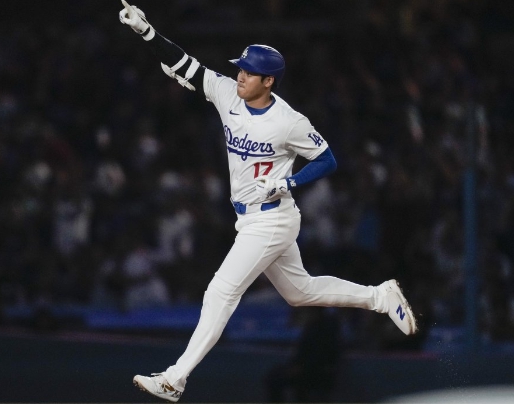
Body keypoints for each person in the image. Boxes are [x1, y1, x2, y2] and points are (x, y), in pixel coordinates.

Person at [118, 1, 418, 402]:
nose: (240, 76)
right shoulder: (227, 93)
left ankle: (175, 379)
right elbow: (184, 64)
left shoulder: (288, 122)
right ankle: (380, 296)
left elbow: (327, 159)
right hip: (249, 218)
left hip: (272, 219)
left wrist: (289, 181)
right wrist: (146, 31)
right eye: (240, 69)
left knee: (220, 292)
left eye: (248, 72)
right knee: (300, 292)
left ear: (269, 81)